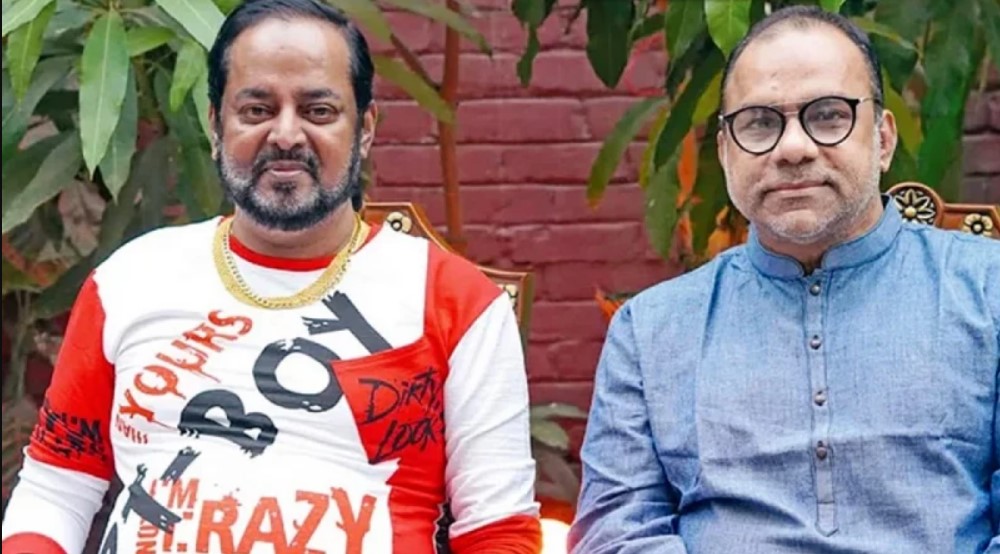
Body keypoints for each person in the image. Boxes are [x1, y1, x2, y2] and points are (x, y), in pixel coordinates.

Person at [0, 1, 541, 552]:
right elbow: (57, 486)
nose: (286, 134)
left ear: (365, 129)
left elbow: (497, 530)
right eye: (257, 110)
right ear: (216, 125)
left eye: (318, 111)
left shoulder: (455, 302)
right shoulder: (130, 281)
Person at [569, 5, 999, 554]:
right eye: (760, 123)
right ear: (725, 152)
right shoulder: (650, 331)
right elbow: (615, 531)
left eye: (828, 115)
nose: (793, 148)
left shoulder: (988, 293)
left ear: (884, 139)